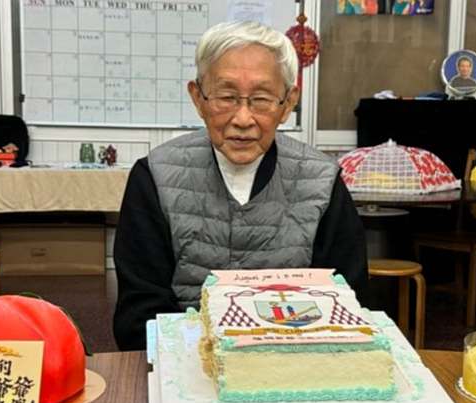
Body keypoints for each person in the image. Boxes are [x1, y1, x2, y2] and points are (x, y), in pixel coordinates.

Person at [113, 21, 368, 350]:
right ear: (199, 98)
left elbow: (348, 301)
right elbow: (138, 317)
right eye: (227, 97)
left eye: (261, 99)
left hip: (295, 362)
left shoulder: (322, 180)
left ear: (288, 103)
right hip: (185, 364)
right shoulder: (155, 176)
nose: (243, 119)